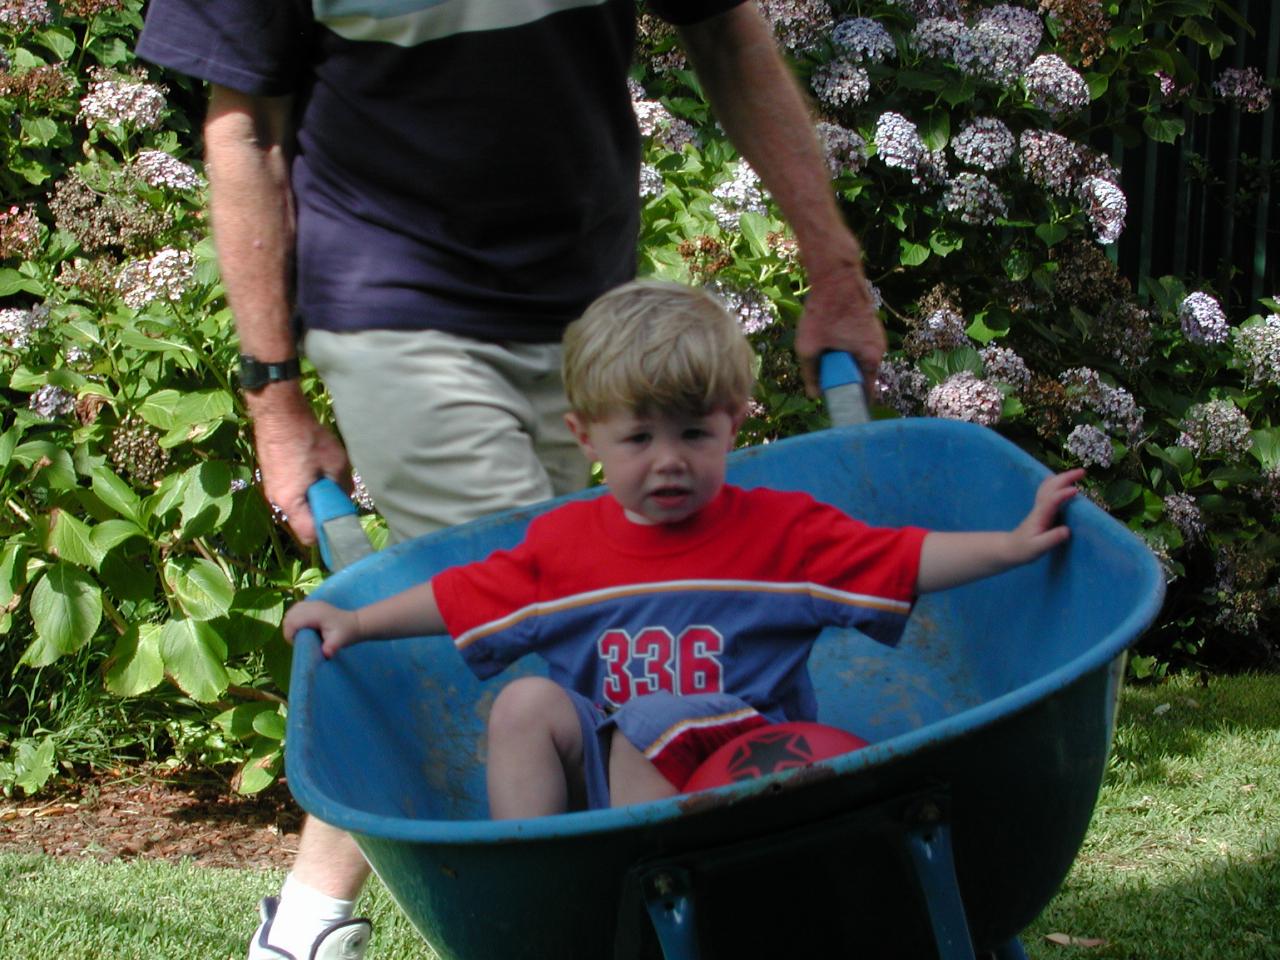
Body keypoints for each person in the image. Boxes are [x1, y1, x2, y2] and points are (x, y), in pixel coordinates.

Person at [137, 2, 887, 956]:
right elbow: (246, 121)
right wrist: (273, 396)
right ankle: (641, 922)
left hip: (591, 315)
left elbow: (726, 31)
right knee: (574, 636)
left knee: (577, 640)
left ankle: (305, 927)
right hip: (397, 304)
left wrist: (835, 270)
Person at [284, 279, 1085, 818]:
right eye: (638, 437)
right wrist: (358, 622)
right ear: (586, 436)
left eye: (695, 433)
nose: (668, 459)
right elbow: (463, 596)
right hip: (614, 776)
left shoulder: (779, 534)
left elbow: (900, 559)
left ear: (734, 424)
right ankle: (541, 871)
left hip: (756, 775)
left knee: (656, 714)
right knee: (528, 702)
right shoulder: (565, 549)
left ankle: (661, 878)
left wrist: (1013, 545)